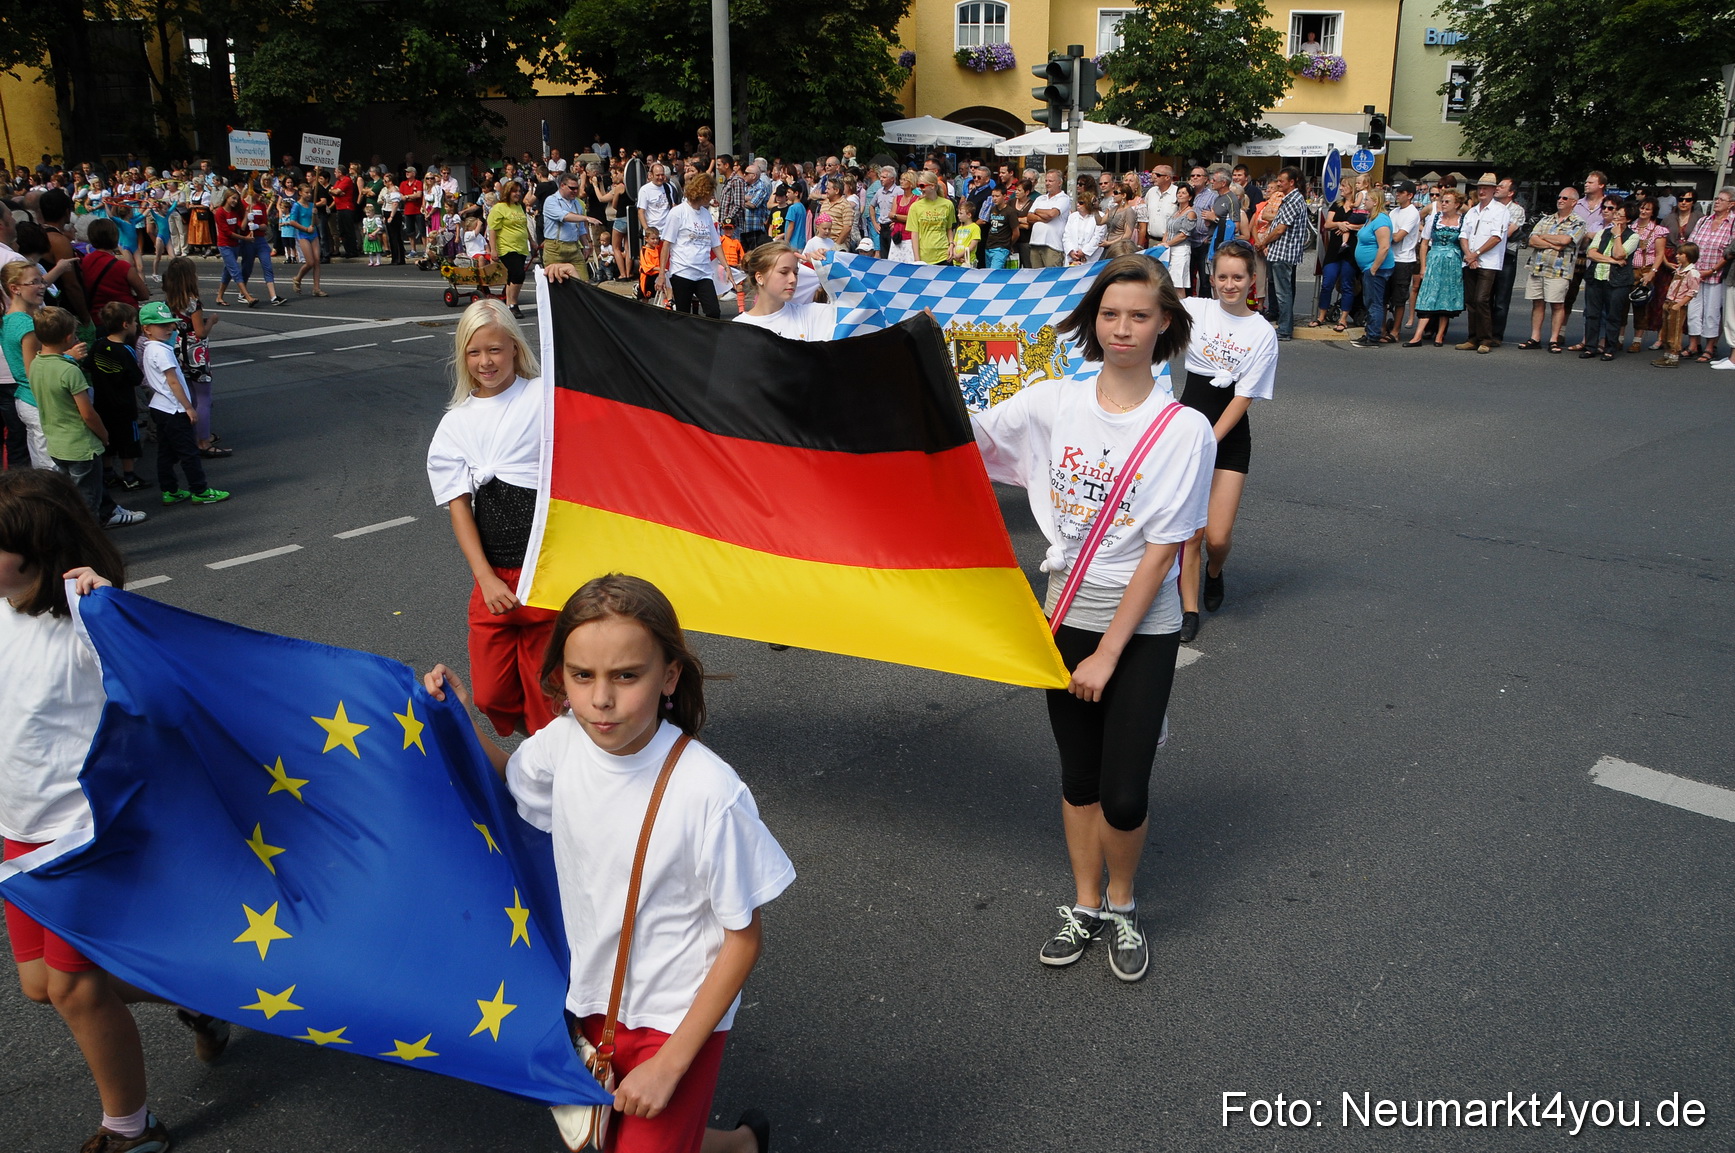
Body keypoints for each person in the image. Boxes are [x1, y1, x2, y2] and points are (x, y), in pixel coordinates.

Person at [422, 574, 790, 1153]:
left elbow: (743, 941)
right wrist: (462, 720)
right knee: (618, 1133)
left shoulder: (709, 793)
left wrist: (670, 1064)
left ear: (669, 676)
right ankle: (742, 1144)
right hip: (593, 997)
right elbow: (515, 782)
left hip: (677, 1014)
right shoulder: (563, 741)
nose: (600, 699)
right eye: (582, 676)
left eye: (626, 675)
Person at [969, 254, 1215, 982]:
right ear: (1092, 321)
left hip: (1140, 625)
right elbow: (969, 438)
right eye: (1110, 314)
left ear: (1165, 323)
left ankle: (1123, 904)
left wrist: (1108, 651)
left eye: (1139, 315)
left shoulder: (1184, 429)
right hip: (1063, 607)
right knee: (1079, 777)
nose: (1122, 328)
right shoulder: (1054, 401)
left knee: (1124, 791)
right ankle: (1084, 903)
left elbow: (1163, 551)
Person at [1, 470, 227, 1153]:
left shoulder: (91, 621)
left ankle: (130, 1128)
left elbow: (167, 695)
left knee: (74, 988)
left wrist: (113, 614)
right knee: (40, 984)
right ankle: (204, 994)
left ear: (37, 552)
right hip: (18, 830)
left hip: (83, 833)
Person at [426, 300, 562, 737]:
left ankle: (549, 752)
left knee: (547, 693)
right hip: (494, 579)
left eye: (495, 349)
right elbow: (459, 507)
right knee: (489, 695)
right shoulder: (455, 424)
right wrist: (484, 577)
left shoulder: (544, 398)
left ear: (515, 349)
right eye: (474, 352)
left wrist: (565, 285)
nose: (485, 361)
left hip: (544, 572)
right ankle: (545, 738)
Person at [1171, 240, 1277, 642]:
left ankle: (1215, 571)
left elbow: (1243, 397)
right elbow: (1146, 311)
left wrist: (1208, 441)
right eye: (1222, 277)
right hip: (1186, 429)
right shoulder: (1194, 309)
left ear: (1251, 280)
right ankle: (1189, 609)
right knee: (1190, 534)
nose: (1229, 284)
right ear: (1211, 278)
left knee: (1216, 537)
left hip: (1227, 438)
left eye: (1238, 277)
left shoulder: (1262, 333)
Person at [27, 305, 144, 527]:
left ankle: (88, 521)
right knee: (87, 499)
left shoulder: (35, 364)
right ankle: (87, 536)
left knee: (74, 492)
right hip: (81, 445)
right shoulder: (69, 371)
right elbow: (88, 413)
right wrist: (104, 435)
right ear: (68, 337)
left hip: (57, 443)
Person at [137, 300, 228, 505]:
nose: (169, 328)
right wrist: (188, 407)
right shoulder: (162, 351)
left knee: (166, 452)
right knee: (189, 452)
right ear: (147, 329)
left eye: (169, 324)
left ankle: (170, 490)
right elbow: (173, 381)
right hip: (174, 409)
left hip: (159, 406)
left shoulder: (150, 347)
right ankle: (200, 490)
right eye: (162, 325)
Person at [161, 258, 228, 458]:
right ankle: (203, 441)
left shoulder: (169, 301)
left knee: (189, 395)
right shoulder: (192, 302)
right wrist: (211, 321)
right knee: (204, 398)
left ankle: (194, 435)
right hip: (195, 351)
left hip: (178, 348)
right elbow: (200, 332)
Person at [3, 259, 61, 468]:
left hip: (26, 399)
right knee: (51, 464)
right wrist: (68, 356)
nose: (42, 286)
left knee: (40, 460)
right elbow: (34, 371)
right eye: (34, 282)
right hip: (37, 400)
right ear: (15, 289)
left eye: (41, 281)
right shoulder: (26, 325)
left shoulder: (9, 318)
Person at [1516, 188, 1583, 352]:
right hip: (1538, 267)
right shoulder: (1546, 219)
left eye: (1565, 198)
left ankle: (1554, 339)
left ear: (1574, 202)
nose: (1560, 200)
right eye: (1559, 197)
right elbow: (1532, 240)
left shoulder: (1578, 222)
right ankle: (1535, 338)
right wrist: (1554, 244)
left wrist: (1544, 237)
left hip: (1559, 270)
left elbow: (1566, 240)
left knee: (1557, 305)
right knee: (1537, 302)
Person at [89, 301, 145, 492]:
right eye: (134, 321)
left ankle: (108, 473)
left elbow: (88, 365)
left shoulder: (98, 345)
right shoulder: (126, 350)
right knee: (128, 441)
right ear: (125, 325)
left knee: (107, 440)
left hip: (102, 403)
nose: (136, 325)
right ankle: (129, 476)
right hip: (124, 404)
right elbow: (135, 377)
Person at [733, 241, 834, 341]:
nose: (793, 279)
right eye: (784, 272)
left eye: (795, 273)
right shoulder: (738, 328)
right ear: (760, 278)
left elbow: (843, 310)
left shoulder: (808, 314)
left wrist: (831, 265)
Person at [1251, 166, 1308, 340]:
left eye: (1282, 181)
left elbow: (1280, 229)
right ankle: (1284, 325)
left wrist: (1263, 243)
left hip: (1283, 252)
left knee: (1283, 293)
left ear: (1292, 182)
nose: (1278, 184)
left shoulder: (1292, 200)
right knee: (1284, 291)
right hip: (1282, 251)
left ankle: (1284, 329)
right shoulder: (1291, 198)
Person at [1580, 196, 1637, 361]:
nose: (1616, 217)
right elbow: (1591, 253)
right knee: (1592, 314)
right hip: (1596, 277)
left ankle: (1610, 348)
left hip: (1618, 281)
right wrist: (1612, 261)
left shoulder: (1633, 237)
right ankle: (1590, 347)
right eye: (1616, 214)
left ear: (1628, 219)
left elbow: (1620, 254)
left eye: (1620, 215)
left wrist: (1617, 236)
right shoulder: (1602, 233)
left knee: (1613, 315)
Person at [661, 173, 725, 318]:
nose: (711, 197)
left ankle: (707, 333)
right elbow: (666, 244)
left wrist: (726, 267)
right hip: (682, 271)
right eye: (710, 194)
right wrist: (661, 275)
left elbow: (716, 244)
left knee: (713, 311)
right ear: (702, 193)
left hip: (703, 272)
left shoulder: (706, 214)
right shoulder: (678, 212)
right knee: (683, 314)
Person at [1458, 173, 1508, 353]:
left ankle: (1486, 339)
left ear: (1494, 190)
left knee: (1482, 299)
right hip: (1470, 260)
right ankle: (1472, 337)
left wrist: (1476, 254)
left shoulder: (1500, 210)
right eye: (1480, 188)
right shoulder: (1472, 211)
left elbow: (1496, 237)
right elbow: (1463, 234)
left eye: (1485, 188)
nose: (1481, 191)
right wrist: (1468, 255)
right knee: (1471, 301)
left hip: (1488, 262)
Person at [1684, 187, 1735, 362]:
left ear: (1731, 204)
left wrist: (1712, 270)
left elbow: (1731, 251)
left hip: (1717, 274)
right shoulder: (1703, 220)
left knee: (1712, 313)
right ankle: (1693, 345)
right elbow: (1691, 244)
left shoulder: (1733, 223)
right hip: (1696, 273)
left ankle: (1710, 347)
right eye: (1716, 198)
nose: (1717, 202)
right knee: (1693, 310)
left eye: (1721, 199)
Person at [1313, 184, 1361, 330]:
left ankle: (1343, 319)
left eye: (1344, 186)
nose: (1341, 188)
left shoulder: (1359, 206)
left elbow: (1365, 224)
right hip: (1334, 250)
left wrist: (1349, 227)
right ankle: (1321, 316)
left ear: (1351, 188)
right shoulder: (1337, 205)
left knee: (1347, 285)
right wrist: (1339, 224)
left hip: (1350, 250)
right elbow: (1327, 224)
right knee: (1327, 283)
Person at [1627, 197, 1671, 353]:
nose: (1643, 211)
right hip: (1627, 269)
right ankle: (1619, 338)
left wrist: (1652, 272)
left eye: (1647, 209)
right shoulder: (1630, 227)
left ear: (1653, 212)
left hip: (1645, 270)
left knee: (1641, 306)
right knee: (1621, 306)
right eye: (1642, 208)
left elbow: (1659, 254)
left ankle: (1637, 340)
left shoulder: (1658, 230)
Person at [1351, 199, 1394, 350]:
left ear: (1375, 202)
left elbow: (1384, 246)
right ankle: (1370, 332)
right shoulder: (1371, 218)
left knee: (1374, 302)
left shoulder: (1381, 220)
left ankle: (1373, 336)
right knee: (1369, 301)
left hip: (1377, 269)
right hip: (1368, 268)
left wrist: (1374, 268)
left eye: (1367, 199)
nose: (1364, 201)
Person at [1382, 180, 1422, 342]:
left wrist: (1384, 236)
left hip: (1404, 259)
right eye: (1397, 192)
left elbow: (1398, 237)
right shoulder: (1394, 212)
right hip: (1390, 257)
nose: (1397, 194)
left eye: (1401, 192)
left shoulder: (1412, 213)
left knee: (1399, 297)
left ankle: (1396, 331)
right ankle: (1382, 329)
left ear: (1410, 195)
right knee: (1384, 296)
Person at [486, 181, 533, 319]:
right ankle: (513, 304)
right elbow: (493, 230)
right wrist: (493, 250)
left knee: (512, 276)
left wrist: (532, 240)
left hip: (521, 247)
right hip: (506, 247)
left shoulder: (519, 206)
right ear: (507, 192)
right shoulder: (499, 208)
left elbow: (524, 226)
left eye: (519, 191)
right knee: (518, 274)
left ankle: (508, 305)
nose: (517, 194)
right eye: (514, 191)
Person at [1652, 242, 1700, 367]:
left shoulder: (1692, 272)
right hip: (1669, 302)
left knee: (1674, 331)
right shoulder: (1679, 270)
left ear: (1689, 255)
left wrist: (1679, 304)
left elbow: (1692, 292)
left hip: (1678, 305)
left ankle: (1673, 357)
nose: (1677, 256)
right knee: (1666, 330)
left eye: (1680, 254)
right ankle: (1667, 355)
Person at [1024, 170, 1071, 267]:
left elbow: (1052, 214)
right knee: (1036, 275)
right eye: (1046, 181)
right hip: (1035, 243)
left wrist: (1037, 210)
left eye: (1050, 181)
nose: (1047, 183)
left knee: (1051, 274)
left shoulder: (1063, 198)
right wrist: (1044, 218)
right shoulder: (1040, 198)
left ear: (1059, 182)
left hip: (1053, 245)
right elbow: (1029, 217)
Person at [906, 173, 956, 265]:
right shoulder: (915, 207)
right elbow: (914, 234)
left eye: (922, 186)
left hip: (944, 254)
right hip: (924, 256)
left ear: (932, 186)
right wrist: (917, 259)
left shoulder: (948, 204)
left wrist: (951, 245)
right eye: (918, 186)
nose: (920, 189)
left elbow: (949, 228)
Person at [286, 186, 326, 296]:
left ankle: (316, 288)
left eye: (310, 193)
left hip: (314, 234)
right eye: (306, 192)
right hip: (303, 235)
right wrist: (305, 229)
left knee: (317, 260)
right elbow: (292, 222)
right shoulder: (297, 206)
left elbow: (316, 222)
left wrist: (315, 214)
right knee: (310, 262)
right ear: (300, 192)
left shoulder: (312, 205)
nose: (309, 195)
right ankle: (298, 278)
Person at [1162, 184, 1197, 296]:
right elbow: (1167, 231)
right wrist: (1163, 244)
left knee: (1178, 283)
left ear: (1190, 197)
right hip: (1169, 249)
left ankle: (1182, 304)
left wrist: (1167, 244)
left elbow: (1183, 235)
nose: (1180, 195)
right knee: (1168, 282)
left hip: (1180, 250)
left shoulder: (1190, 213)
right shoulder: (1176, 212)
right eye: (1179, 193)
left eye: (1183, 193)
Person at [980, 184, 1020, 270]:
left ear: (1004, 196)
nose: (994, 198)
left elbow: (1016, 233)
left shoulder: (1010, 212)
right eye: (993, 196)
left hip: (1001, 247)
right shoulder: (992, 209)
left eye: (997, 196)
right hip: (989, 245)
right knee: (988, 272)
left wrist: (1008, 244)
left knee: (994, 271)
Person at [1061, 190, 1105, 266]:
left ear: (1088, 204)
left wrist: (1084, 252)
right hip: (1072, 258)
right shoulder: (1072, 216)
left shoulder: (1100, 216)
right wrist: (1071, 251)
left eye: (1081, 203)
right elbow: (1066, 236)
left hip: (1091, 258)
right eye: (1077, 202)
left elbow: (1098, 237)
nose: (1078, 204)